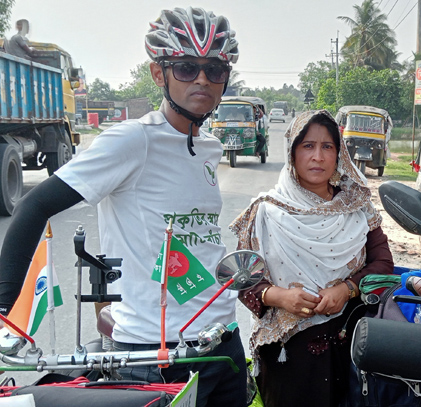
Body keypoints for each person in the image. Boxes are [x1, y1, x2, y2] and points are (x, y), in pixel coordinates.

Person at [0, 7, 245, 406]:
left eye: (214, 69)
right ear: (158, 73)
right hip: (156, 354)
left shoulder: (209, 147)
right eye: (185, 67)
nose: (202, 79)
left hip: (221, 341)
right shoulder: (133, 141)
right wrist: (5, 313)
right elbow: (33, 207)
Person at [230, 110, 394, 407]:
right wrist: (278, 296)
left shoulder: (358, 209)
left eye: (327, 147)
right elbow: (242, 278)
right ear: (292, 152)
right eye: (307, 146)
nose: (318, 156)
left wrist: (347, 289)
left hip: (351, 342)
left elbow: (383, 266)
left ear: (339, 153)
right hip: (287, 354)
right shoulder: (266, 211)